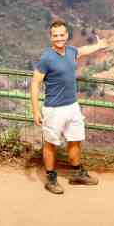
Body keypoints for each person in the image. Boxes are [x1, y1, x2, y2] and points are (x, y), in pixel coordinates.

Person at [31, 20, 99, 194]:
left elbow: (83, 50)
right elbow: (35, 83)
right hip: (54, 109)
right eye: (55, 36)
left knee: (75, 139)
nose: (59, 38)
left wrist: (101, 45)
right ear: (50, 37)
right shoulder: (47, 58)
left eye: (62, 35)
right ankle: (51, 178)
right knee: (50, 143)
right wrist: (35, 110)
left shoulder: (71, 51)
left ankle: (77, 173)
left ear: (67, 35)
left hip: (72, 106)